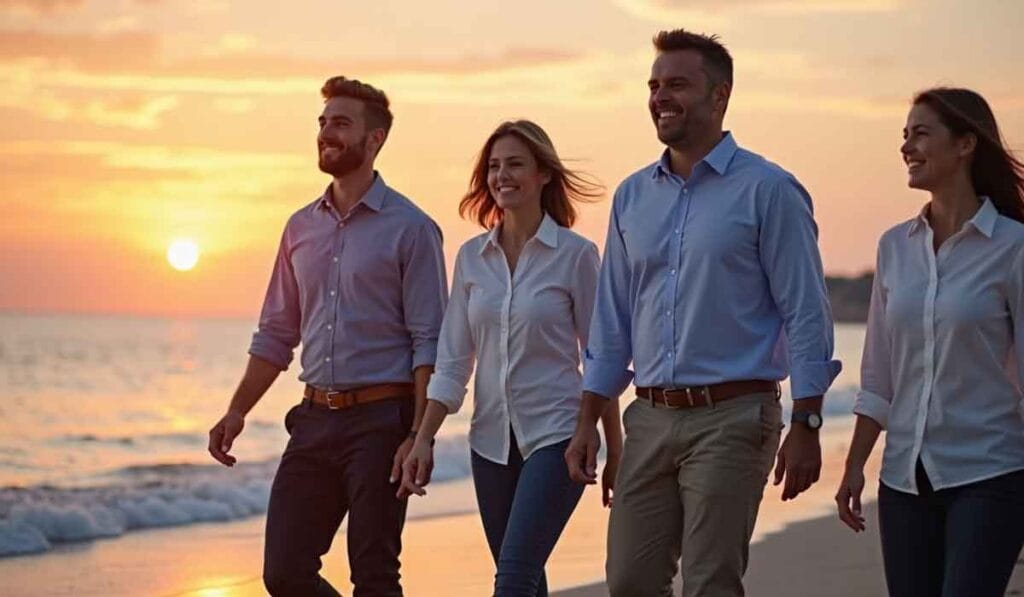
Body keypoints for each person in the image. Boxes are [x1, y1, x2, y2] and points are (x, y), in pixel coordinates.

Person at [565, 29, 841, 597]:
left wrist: (808, 421)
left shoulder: (769, 190)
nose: (660, 97)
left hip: (734, 416)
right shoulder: (633, 196)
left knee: (711, 581)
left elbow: (806, 312)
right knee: (630, 582)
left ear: (720, 97)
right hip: (649, 416)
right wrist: (588, 419)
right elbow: (612, 322)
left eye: (678, 85)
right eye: (654, 85)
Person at [206, 76, 448, 596]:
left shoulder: (412, 229)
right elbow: (276, 331)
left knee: (374, 576)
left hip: (383, 422)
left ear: (375, 138)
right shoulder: (299, 228)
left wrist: (418, 436)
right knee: (285, 572)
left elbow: (429, 342)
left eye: (341, 122)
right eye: (322, 122)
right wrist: (237, 410)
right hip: (313, 420)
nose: (325, 132)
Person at [399, 119, 622, 597]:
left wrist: (613, 445)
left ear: (543, 173)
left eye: (515, 164)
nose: (502, 175)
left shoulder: (576, 256)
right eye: (494, 166)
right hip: (489, 445)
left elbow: (601, 356)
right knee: (525, 579)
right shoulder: (471, 259)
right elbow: (454, 362)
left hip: (558, 438)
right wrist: (423, 438)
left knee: (513, 580)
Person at [836, 87, 1024, 597]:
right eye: (904, 135)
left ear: (966, 145)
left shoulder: (1014, 248)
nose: (906, 147)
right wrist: (854, 466)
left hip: (991, 473)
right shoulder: (894, 247)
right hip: (902, 480)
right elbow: (878, 373)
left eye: (921, 133)